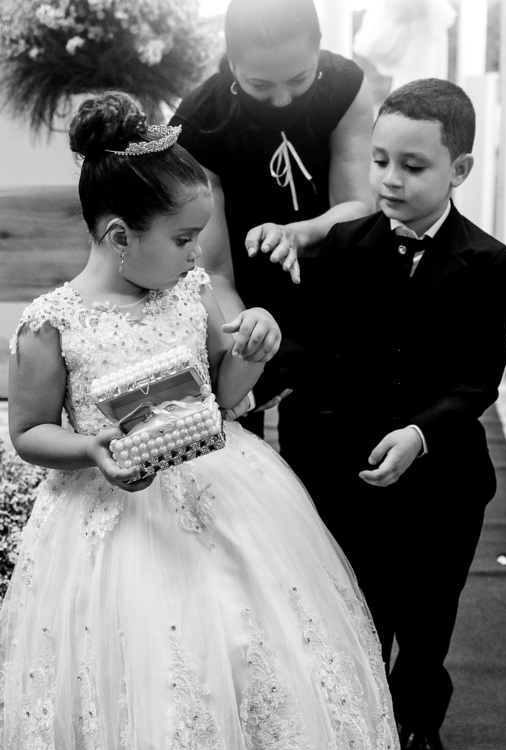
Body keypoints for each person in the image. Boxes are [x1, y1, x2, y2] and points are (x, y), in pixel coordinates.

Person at [0, 92, 406, 750]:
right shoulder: (51, 326)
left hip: (226, 490)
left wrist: (253, 344)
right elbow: (28, 432)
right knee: (152, 670)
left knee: (256, 646)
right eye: (184, 238)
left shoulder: (189, 292)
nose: (197, 253)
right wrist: (92, 450)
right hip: (115, 522)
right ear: (121, 237)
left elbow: (225, 392)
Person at [294, 79, 506, 750]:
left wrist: (421, 432)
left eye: (413, 166)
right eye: (380, 159)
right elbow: (314, 355)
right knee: (359, 610)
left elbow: (478, 377)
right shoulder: (340, 247)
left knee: (426, 618)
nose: (389, 178)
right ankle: (357, 724)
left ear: (460, 169)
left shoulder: (488, 262)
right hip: (348, 475)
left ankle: (420, 720)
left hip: (443, 480)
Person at [169, 0, 374, 459]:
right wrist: (240, 351)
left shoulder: (344, 87)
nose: (282, 99)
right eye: (260, 84)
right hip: (240, 289)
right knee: (242, 447)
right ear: (232, 60)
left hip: (331, 279)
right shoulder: (199, 122)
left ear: (318, 51)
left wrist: (297, 233)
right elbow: (215, 271)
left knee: (325, 451)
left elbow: (357, 206)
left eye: (299, 80)